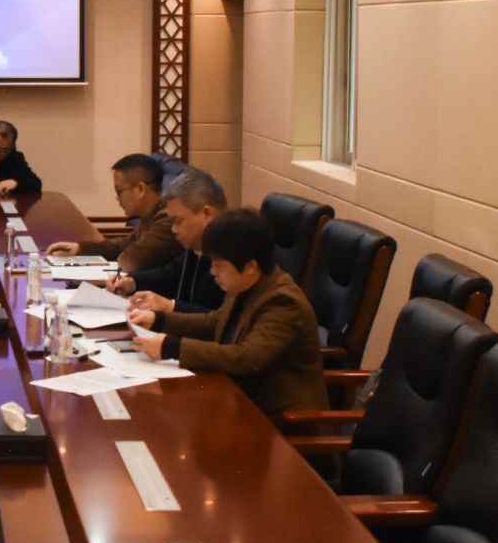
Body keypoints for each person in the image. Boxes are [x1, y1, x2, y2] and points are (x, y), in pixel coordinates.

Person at [128, 209, 326, 420]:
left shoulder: (283, 302)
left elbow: (247, 357)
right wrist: (159, 320)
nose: (212, 271)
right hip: (239, 399)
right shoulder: (244, 284)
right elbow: (214, 322)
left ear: (250, 266)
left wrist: (173, 347)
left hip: (282, 421)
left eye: (219, 264)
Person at [108, 168, 227, 315]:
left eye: (178, 221)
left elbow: (220, 319)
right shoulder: (196, 248)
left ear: (206, 214)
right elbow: (169, 275)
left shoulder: (232, 254)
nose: (173, 229)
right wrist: (133, 281)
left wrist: (170, 306)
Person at [47, 153, 181, 274]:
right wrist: (79, 249)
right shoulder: (152, 215)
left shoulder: (167, 219)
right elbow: (123, 245)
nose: (117, 199)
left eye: (119, 191)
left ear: (140, 189)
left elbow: (130, 261)